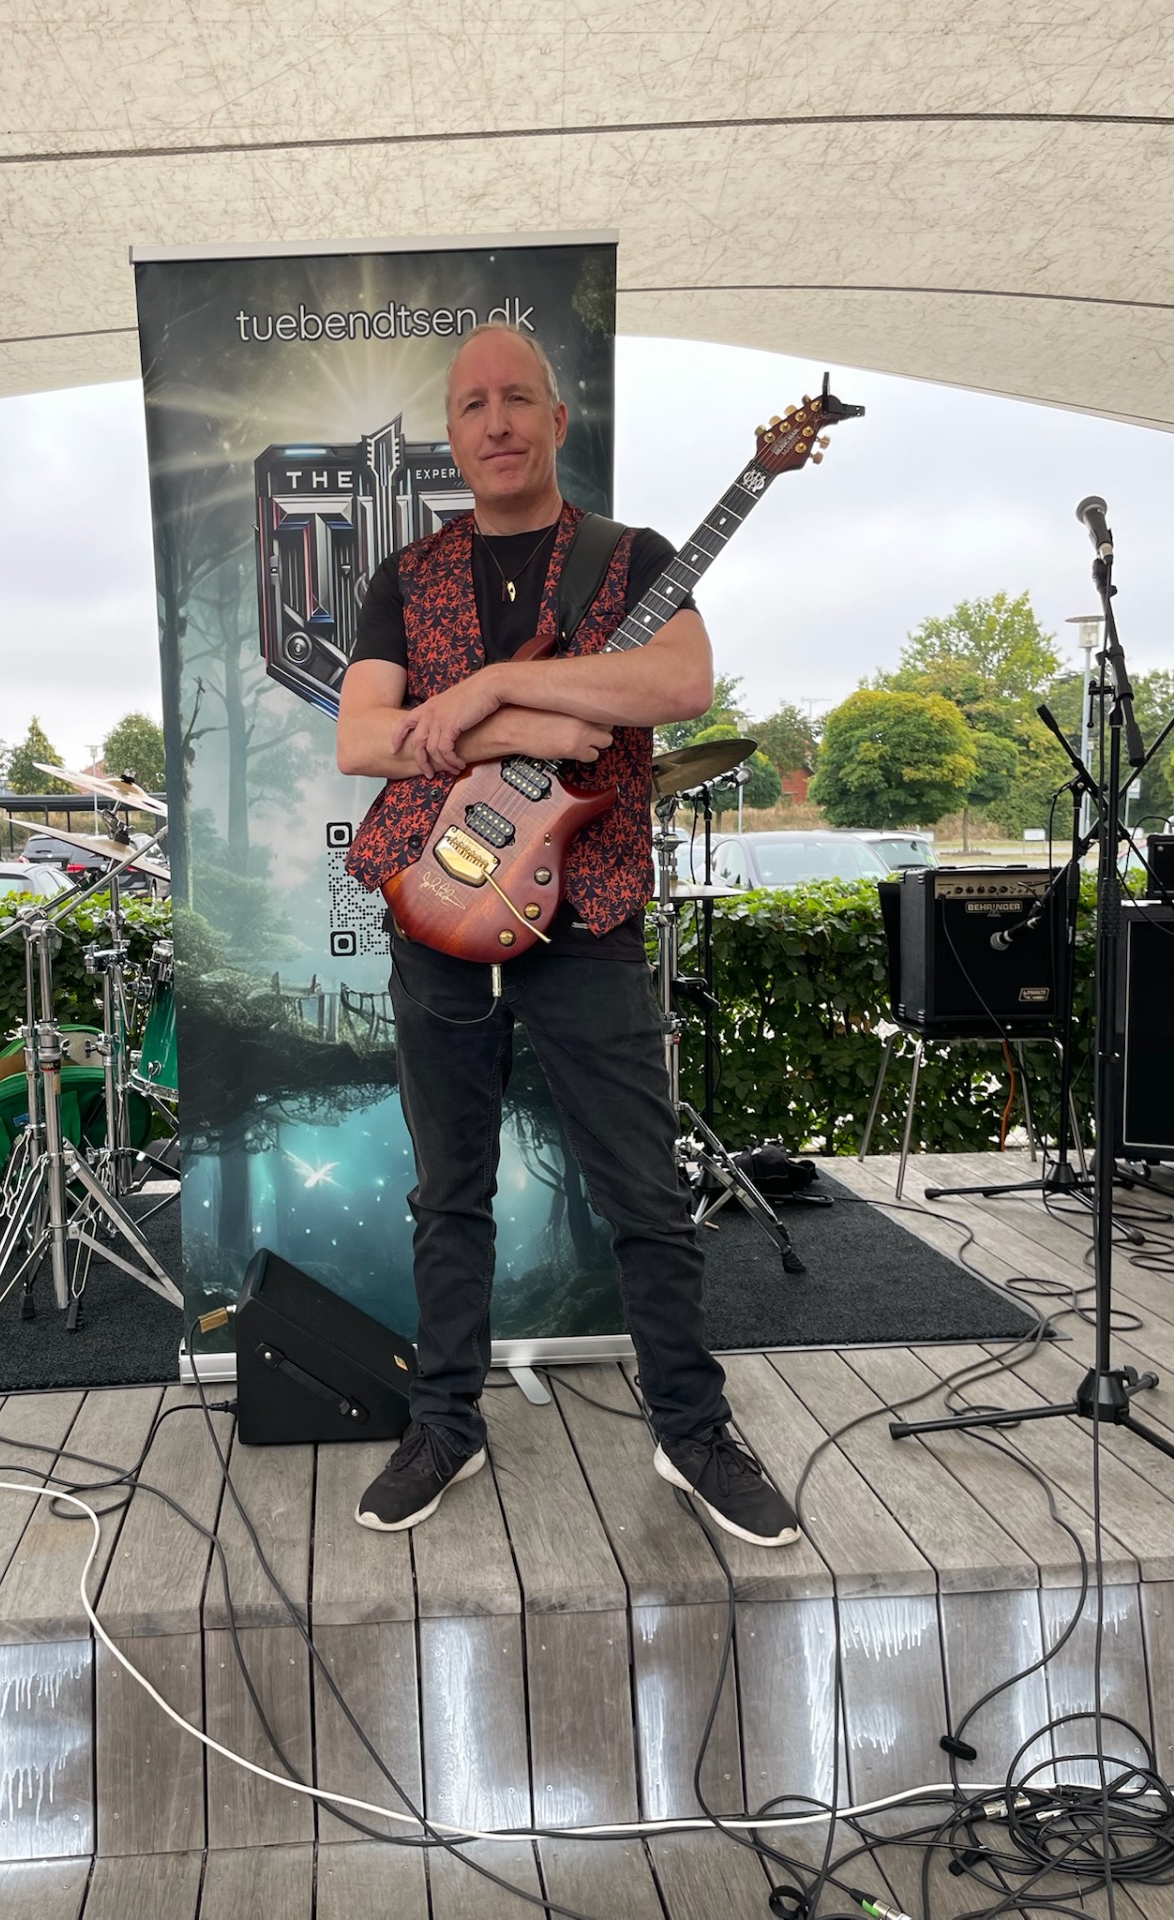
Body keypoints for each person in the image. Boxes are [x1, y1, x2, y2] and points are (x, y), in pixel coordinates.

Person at [336, 323, 799, 1549]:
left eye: (516, 399)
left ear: (555, 416)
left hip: (587, 912)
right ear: (452, 434)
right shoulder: (405, 577)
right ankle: (446, 1425)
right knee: (449, 1192)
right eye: (472, 404)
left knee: (644, 1189)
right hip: (440, 905)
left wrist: (492, 687)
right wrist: (510, 726)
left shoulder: (630, 558)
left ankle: (690, 1431)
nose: (495, 422)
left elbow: (678, 685)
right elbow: (364, 739)